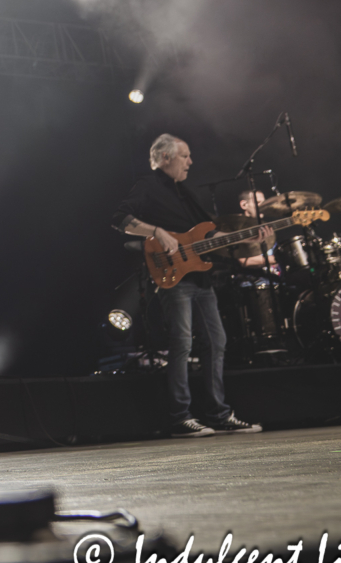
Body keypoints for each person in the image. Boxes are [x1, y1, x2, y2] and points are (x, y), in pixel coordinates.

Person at [112, 134, 263, 437]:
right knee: (182, 344)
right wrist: (155, 231)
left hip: (201, 277)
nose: (191, 162)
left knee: (216, 343)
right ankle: (181, 416)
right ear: (165, 157)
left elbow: (209, 237)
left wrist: (248, 239)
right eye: (185, 156)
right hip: (174, 278)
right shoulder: (148, 185)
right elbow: (119, 218)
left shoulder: (185, 193)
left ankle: (218, 414)